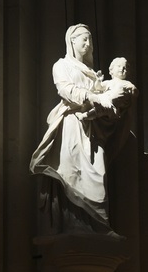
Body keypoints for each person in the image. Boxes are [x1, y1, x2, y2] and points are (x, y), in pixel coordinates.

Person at [29, 24, 134, 234]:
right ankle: (74, 225)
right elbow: (65, 90)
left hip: (92, 128)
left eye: (90, 40)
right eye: (83, 39)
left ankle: (98, 226)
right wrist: (91, 96)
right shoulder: (61, 65)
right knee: (72, 174)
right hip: (71, 123)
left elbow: (105, 96)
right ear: (72, 41)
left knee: (97, 176)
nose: (88, 43)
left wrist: (99, 89)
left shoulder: (90, 72)